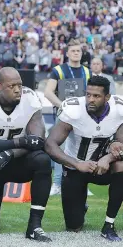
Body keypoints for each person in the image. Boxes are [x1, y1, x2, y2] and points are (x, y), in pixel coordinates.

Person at [0, 67, 52, 242]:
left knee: (43, 160)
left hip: (18, 161)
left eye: (20, 85)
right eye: (11, 86)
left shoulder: (30, 98)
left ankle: (35, 225)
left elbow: (37, 141)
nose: (17, 90)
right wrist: (20, 142)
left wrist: (10, 152)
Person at [45, 76, 123, 241]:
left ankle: (109, 224)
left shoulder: (118, 109)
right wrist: (77, 164)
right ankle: (80, 206)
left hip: (102, 167)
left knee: (121, 164)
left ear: (107, 97)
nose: (91, 99)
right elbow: (50, 144)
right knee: (74, 226)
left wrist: (108, 158)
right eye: (88, 95)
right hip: (75, 168)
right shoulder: (74, 110)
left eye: (96, 96)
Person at [44, 39, 92, 197]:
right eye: (73, 51)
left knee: (83, 150)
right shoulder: (58, 70)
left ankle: (84, 183)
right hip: (64, 116)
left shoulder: (87, 71)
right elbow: (48, 92)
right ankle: (57, 183)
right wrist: (62, 105)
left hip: (82, 115)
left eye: (78, 51)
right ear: (67, 53)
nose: (76, 53)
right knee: (60, 149)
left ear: (81, 52)